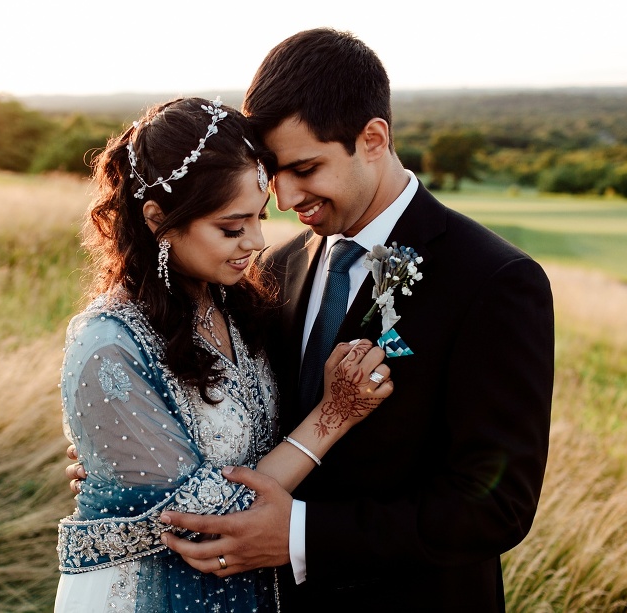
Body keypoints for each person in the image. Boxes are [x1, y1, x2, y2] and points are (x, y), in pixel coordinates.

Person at [147, 29, 556, 611]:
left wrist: (298, 535)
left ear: (372, 138)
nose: (285, 199)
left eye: (305, 168)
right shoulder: (280, 266)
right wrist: (138, 464)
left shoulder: (493, 281)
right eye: (273, 175)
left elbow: (495, 507)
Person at [53, 96, 393, 612]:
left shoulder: (237, 306)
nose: (256, 242)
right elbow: (214, 526)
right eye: (232, 228)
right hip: (154, 596)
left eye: (258, 217)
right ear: (157, 219)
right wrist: (332, 416)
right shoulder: (107, 346)